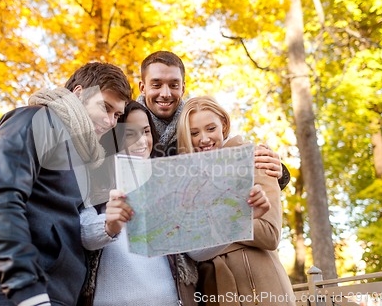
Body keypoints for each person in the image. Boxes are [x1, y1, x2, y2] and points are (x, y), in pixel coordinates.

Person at [0, 62, 131, 306]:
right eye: (105, 108)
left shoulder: (84, 159)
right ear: (78, 94)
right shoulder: (33, 120)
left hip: (57, 296)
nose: (110, 122)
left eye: (117, 115)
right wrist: (27, 291)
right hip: (13, 294)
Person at [78, 101, 271, 306]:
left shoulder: (167, 185)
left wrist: (241, 214)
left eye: (146, 131)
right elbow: (84, 233)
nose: (142, 141)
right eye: (130, 134)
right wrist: (109, 225)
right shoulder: (93, 185)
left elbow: (196, 250)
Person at [177, 96, 296, 306]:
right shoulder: (188, 180)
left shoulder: (255, 159)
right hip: (212, 290)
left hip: (260, 288)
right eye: (194, 133)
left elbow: (269, 233)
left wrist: (211, 221)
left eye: (210, 128)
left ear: (223, 125)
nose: (204, 139)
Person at [137, 50, 290, 188]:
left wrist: (278, 172)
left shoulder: (196, 122)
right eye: (156, 85)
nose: (165, 93)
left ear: (182, 88)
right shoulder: (121, 124)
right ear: (143, 88)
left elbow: (231, 157)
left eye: (173, 85)